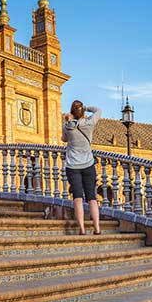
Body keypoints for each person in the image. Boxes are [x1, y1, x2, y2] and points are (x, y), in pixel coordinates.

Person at [63, 100, 102, 235]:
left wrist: (69, 120)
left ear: (72, 112)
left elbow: (64, 139)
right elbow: (98, 110)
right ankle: (97, 228)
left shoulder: (67, 126)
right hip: (88, 165)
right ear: (83, 112)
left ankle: (82, 229)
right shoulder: (89, 124)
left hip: (72, 166)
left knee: (77, 197)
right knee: (92, 197)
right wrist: (85, 108)